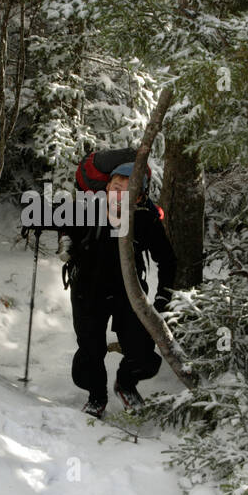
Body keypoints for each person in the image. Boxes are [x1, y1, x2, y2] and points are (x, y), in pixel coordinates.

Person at [59, 163, 176, 418]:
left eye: (127, 189)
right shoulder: (90, 209)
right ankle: (96, 396)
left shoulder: (146, 218)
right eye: (115, 187)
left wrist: (163, 296)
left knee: (142, 350)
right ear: (106, 189)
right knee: (90, 350)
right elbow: (63, 221)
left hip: (129, 293)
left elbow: (167, 260)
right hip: (88, 290)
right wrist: (65, 240)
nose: (118, 194)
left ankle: (126, 383)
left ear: (140, 195)